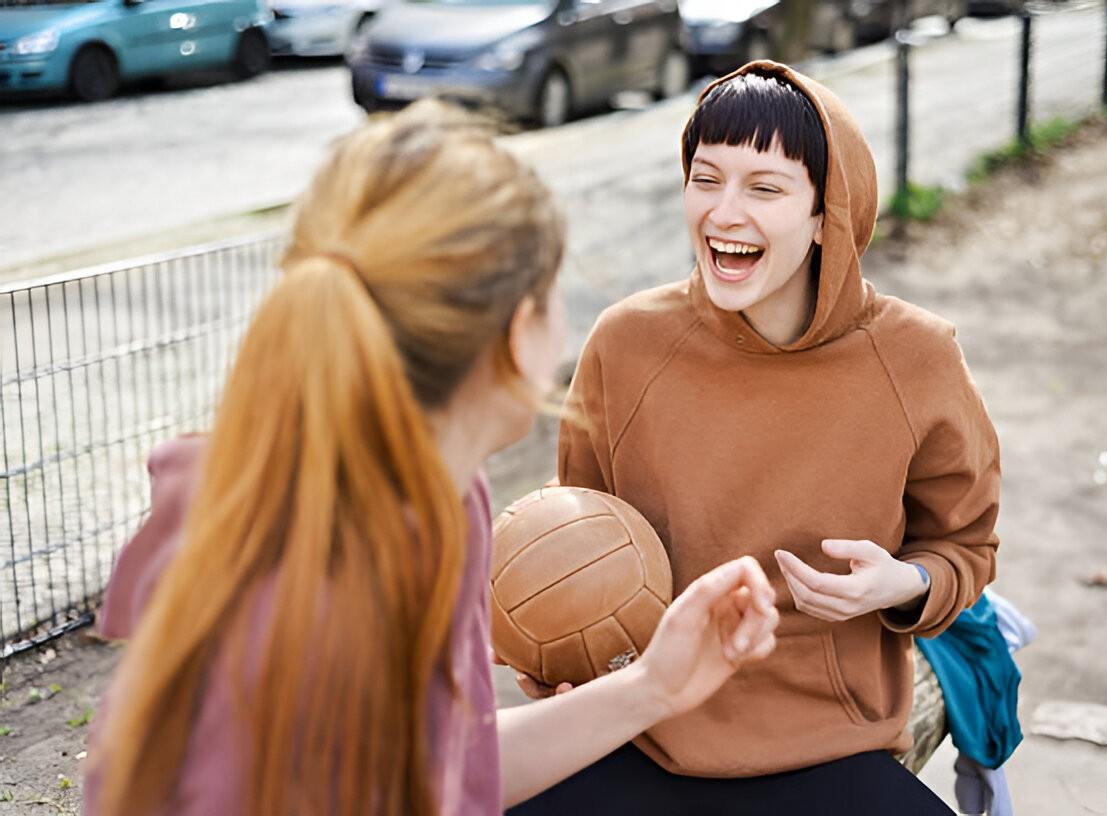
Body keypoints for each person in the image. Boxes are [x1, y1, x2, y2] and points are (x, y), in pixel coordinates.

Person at [84, 100, 781, 816]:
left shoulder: (445, 498)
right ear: (520, 333)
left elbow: (444, 764)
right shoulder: (305, 598)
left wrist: (651, 689)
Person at [510, 61, 1000, 814]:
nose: (723, 213)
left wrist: (902, 583)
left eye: (764, 188)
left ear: (823, 218)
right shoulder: (627, 342)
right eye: (706, 179)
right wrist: (550, 640)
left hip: (826, 742)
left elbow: (965, 545)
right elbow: (578, 533)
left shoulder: (917, 358)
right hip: (641, 728)